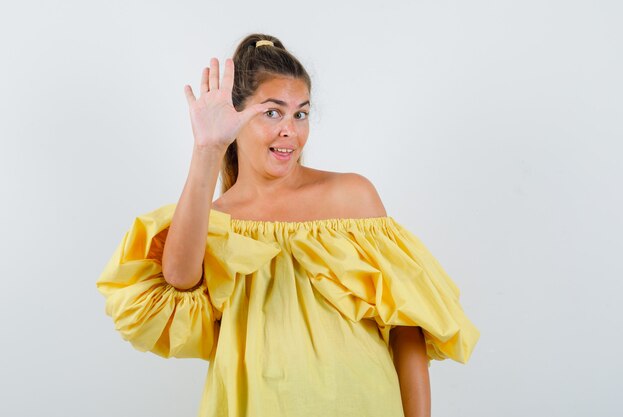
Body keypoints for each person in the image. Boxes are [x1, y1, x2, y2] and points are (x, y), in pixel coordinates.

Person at [96, 33, 480, 417]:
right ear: (234, 117)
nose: (290, 131)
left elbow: (406, 331)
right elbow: (178, 279)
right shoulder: (214, 222)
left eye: (300, 113)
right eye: (272, 112)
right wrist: (208, 149)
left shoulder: (352, 197)